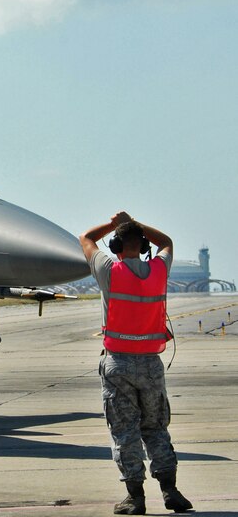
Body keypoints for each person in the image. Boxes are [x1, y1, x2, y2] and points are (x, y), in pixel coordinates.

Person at [79, 212, 193, 515]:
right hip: (152, 365)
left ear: (116, 245)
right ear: (143, 246)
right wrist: (137, 225)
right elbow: (166, 242)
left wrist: (115, 224)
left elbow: (86, 239)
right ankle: (171, 492)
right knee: (156, 428)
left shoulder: (109, 270)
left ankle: (135, 498)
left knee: (125, 431)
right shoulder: (158, 270)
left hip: (118, 365)